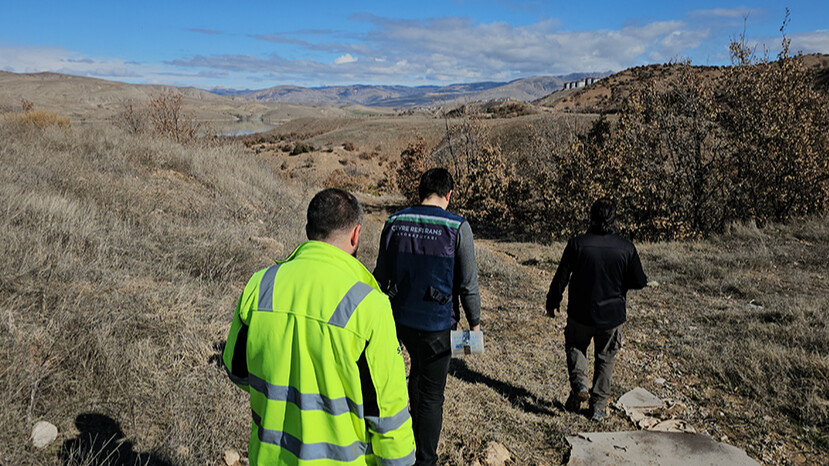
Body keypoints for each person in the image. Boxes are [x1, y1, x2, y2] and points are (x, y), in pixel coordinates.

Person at [223, 188, 415, 465]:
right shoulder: (370, 305)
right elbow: (389, 416)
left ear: (308, 230)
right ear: (355, 234)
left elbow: (237, 372)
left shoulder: (260, 286)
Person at [374, 168, 481, 465]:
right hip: (439, 326)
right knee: (432, 394)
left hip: (398, 321)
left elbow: (380, 276)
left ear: (420, 191)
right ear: (449, 195)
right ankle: (424, 459)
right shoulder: (459, 227)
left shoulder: (394, 221)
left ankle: (401, 445)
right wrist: (475, 326)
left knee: (411, 380)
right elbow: (467, 284)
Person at [546, 198, 648, 421]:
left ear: (590, 218)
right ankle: (599, 407)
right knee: (605, 358)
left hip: (580, 313)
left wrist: (552, 302)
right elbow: (640, 281)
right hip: (612, 317)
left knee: (575, 345)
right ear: (615, 221)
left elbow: (561, 277)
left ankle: (580, 383)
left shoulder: (577, 244)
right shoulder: (626, 247)